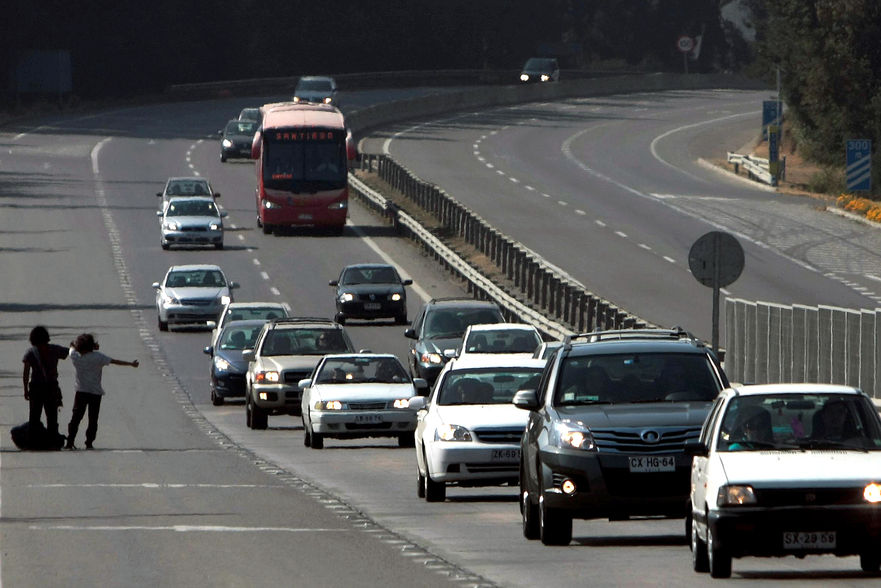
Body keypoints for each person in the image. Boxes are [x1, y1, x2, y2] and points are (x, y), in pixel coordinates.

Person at [65, 334, 139, 450]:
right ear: (91, 346)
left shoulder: (75, 357)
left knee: (76, 418)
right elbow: (114, 361)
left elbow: (71, 346)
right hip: (95, 393)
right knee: (93, 419)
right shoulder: (98, 357)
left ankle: (70, 442)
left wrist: (78, 345)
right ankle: (89, 443)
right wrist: (130, 364)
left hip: (81, 392)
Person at [22, 326, 69, 439]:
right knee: (52, 416)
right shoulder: (55, 349)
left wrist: (25, 389)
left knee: (34, 416)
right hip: (51, 387)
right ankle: (52, 440)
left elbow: (26, 373)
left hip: (36, 387)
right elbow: (71, 352)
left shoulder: (30, 353)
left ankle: (34, 441)